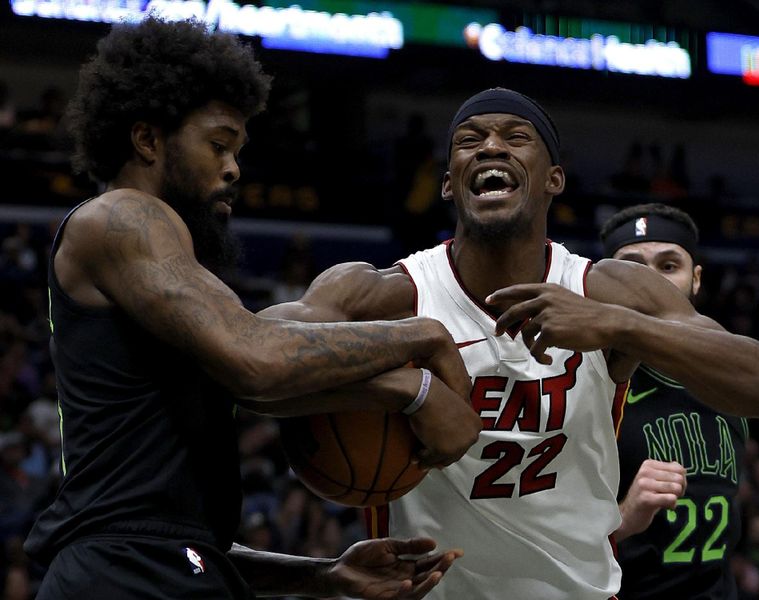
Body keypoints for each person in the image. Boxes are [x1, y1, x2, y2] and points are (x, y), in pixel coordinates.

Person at [262, 87, 759, 599]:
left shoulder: (608, 290)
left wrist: (617, 326)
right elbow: (250, 359)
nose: (491, 146)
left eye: (516, 137)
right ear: (449, 183)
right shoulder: (386, 294)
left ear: (553, 179)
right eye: (470, 141)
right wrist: (411, 387)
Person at [23, 17, 484, 599]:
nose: (234, 168)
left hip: (146, 570)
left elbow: (180, 537)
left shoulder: (162, 271)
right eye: (218, 145)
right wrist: (423, 342)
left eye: (238, 150)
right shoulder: (121, 216)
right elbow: (257, 359)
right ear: (147, 140)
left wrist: (321, 575)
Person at [600, 203, 748, 598]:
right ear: (602, 281)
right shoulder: (586, 385)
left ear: (695, 279)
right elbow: (541, 537)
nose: (650, 283)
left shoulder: (730, 380)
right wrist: (625, 518)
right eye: (632, 267)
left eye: (668, 266)